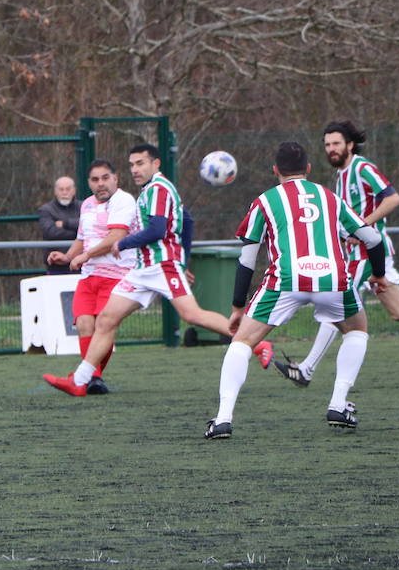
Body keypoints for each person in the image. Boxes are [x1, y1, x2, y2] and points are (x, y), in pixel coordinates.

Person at [43, 144, 271, 397]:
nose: (135, 169)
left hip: (162, 265)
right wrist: (182, 260)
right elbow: (188, 221)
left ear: (156, 163)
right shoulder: (151, 190)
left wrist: (125, 242)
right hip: (143, 269)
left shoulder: (159, 189)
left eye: (141, 163)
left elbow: (157, 230)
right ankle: (80, 380)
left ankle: (258, 344)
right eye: (132, 164)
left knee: (193, 315)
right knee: (107, 320)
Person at [271, 121, 399, 387]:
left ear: (350, 144)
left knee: (337, 304)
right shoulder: (342, 174)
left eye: (336, 143)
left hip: (367, 253)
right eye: (327, 145)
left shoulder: (362, 168)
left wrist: (363, 226)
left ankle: (307, 369)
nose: (331, 149)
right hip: (363, 253)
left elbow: (393, 198)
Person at [206, 141, 389, 439]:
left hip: (286, 280)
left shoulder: (264, 201)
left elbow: (247, 262)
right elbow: (373, 239)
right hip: (333, 279)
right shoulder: (330, 197)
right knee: (356, 330)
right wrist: (379, 276)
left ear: (275, 170)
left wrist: (238, 306)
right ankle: (339, 404)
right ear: (308, 169)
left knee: (242, 342)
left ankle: (223, 419)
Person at [45, 159, 138, 394]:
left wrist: (85, 256)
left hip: (117, 276)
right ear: (88, 183)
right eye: (95, 180)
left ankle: (86, 378)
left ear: (116, 178)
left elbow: (116, 236)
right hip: (89, 277)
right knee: (85, 324)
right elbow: (81, 239)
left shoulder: (124, 200)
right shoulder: (86, 204)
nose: (101, 184)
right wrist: (67, 257)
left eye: (105, 178)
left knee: (103, 326)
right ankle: (92, 378)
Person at [38, 175, 79, 274]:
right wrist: (78, 230)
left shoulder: (84, 206)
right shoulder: (46, 210)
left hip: (80, 262)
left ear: (74, 191)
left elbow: (89, 228)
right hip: (56, 264)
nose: (65, 192)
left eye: (68, 189)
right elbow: (50, 233)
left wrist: (65, 224)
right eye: (61, 189)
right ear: (55, 191)